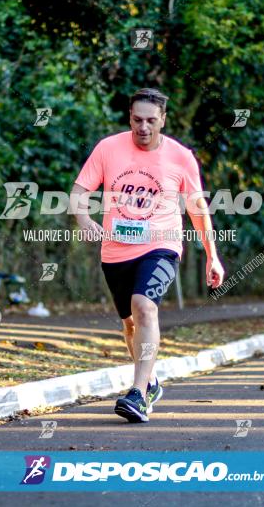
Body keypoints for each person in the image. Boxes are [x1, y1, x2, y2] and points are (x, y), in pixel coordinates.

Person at [72, 88, 225, 422]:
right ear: (130, 117)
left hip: (161, 247)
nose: (143, 127)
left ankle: (138, 394)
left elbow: (198, 210)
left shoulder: (181, 157)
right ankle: (150, 380)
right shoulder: (108, 148)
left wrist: (212, 255)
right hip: (115, 251)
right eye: (138, 120)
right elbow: (80, 190)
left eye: (151, 121)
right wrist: (83, 217)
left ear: (163, 120)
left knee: (144, 306)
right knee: (129, 324)